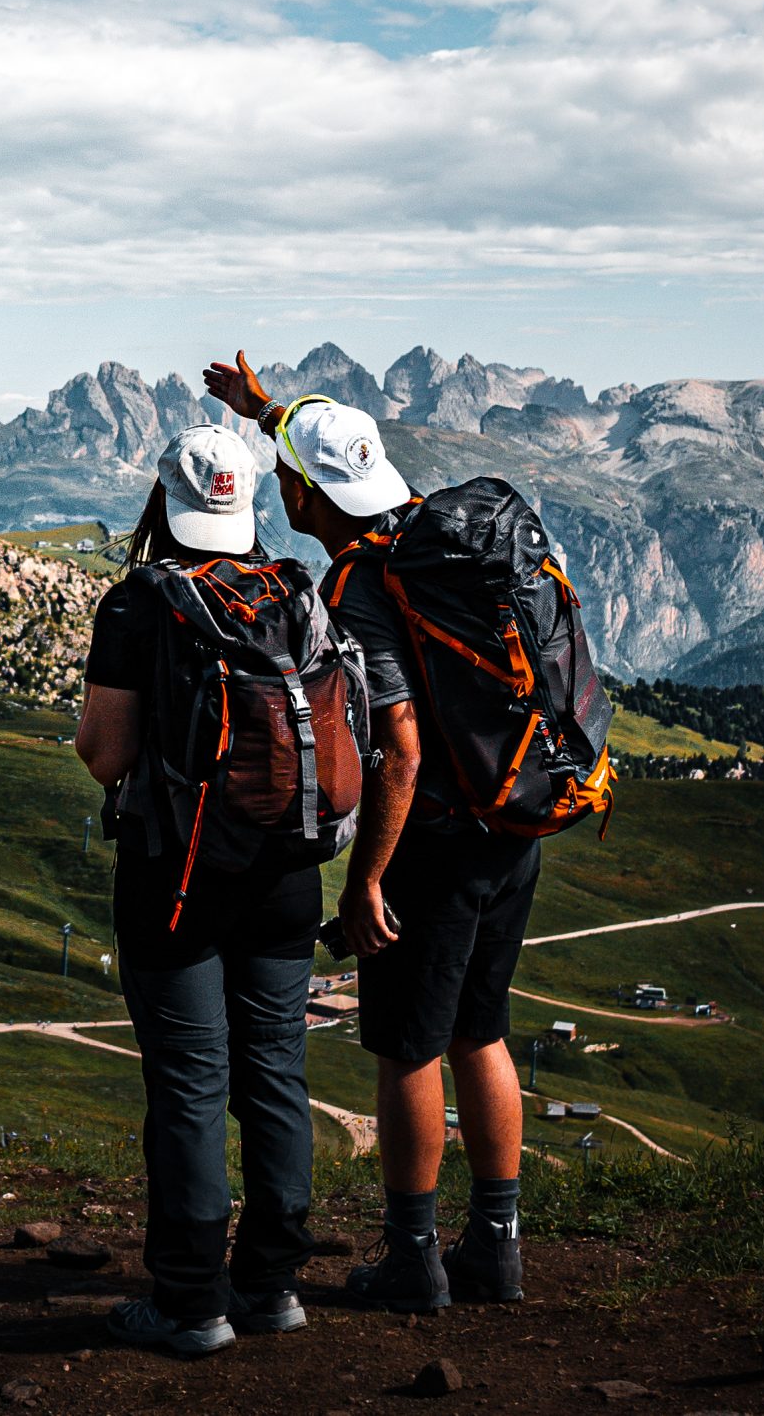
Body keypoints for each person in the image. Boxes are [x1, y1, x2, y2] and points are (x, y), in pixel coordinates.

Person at [203, 350, 530, 1314]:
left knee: (408, 1047)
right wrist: (267, 411)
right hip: (514, 819)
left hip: (435, 841)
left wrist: (367, 880)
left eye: (289, 482)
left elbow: (399, 750)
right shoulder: (433, 530)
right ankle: (496, 1246)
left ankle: (414, 1259)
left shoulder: (362, 584)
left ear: (307, 495)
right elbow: (326, 449)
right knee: (485, 1029)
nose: (283, 498)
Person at [75, 424, 325, 1357]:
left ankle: (189, 1300)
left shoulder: (141, 603)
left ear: (168, 502)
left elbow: (105, 754)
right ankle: (272, 1284)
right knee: (275, 1073)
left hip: (176, 883)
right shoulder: (294, 591)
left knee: (189, 1085)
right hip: (289, 880)